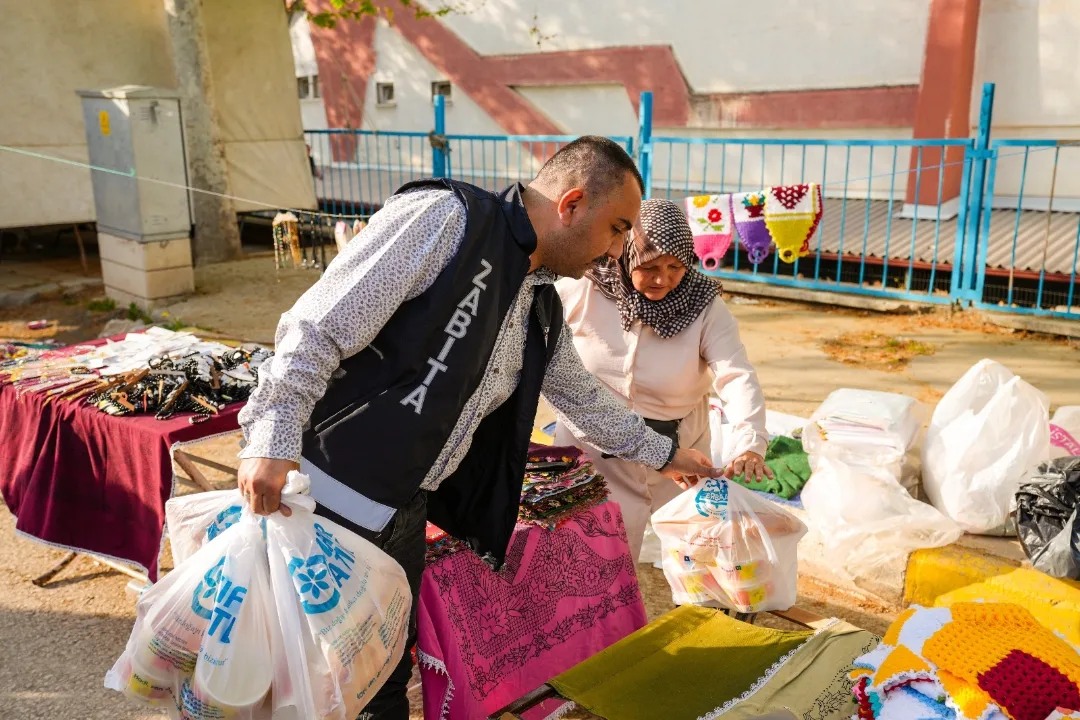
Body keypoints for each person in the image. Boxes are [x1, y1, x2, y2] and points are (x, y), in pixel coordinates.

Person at [236, 137, 722, 720]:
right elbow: (317, 326)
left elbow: (577, 392)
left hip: (402, 508)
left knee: (379, 674)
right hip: (327, 497)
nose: (618, 251)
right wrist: (272, 438)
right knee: (303, 673)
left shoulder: (540, 297)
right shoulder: (448, 220)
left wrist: (662, 453)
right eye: (617, 229)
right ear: (571, 204)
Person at [554, 198, 772, 563]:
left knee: (694, 553)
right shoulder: (585, 289)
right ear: (626, 257)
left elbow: (736, 374)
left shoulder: (704, 306)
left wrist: (750, 440)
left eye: (675, 266)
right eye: (649, 266)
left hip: (682, 448)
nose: (663, 279)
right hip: (594, 446)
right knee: (593, 554)